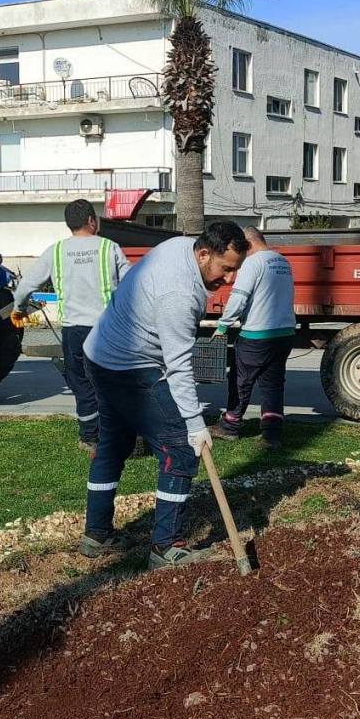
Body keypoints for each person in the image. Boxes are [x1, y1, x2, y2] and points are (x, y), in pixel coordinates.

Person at [80, 221, 249, 569]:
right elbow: (178, 366)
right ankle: (167, 547)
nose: (230, 279)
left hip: (99, 354)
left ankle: (96, 535)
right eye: (226, 268)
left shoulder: (180, 247)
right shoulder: (180, 294)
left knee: (113, 444)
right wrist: (195, 425)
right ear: (204, 254)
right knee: (180, 448)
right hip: (128, 366)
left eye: (235, 270)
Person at [11, 199, 131, 450]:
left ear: (69, 224)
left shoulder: (55, 251)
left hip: (74, 331)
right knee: (110, 382)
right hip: (107, 330)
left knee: (82, 384)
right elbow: (132, 284)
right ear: (91, 221)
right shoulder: (109, 247)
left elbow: (25, 286)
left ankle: (90, 437)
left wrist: (19, 309)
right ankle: (116, 433)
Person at [211, 227, 296, 449]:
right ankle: (271, 434)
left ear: (248, 244)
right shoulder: (282, 261)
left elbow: (239, 296)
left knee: (241, 381)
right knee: (273, 384)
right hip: (285, 332)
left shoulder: (252, 263)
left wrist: (223, 325)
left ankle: (229, 426)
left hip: (257, 334)